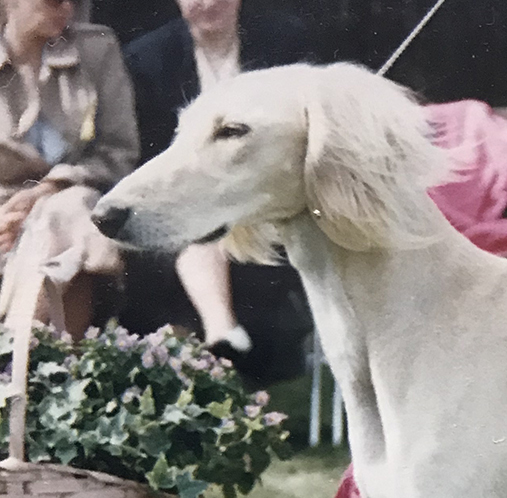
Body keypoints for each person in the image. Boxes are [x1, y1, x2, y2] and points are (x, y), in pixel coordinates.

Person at [124, 0, 310, 361]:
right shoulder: (146, 59)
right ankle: (220, 333)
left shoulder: (284, 40)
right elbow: (147, 156)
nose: (208, 3)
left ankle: (226, 339)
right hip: (181, 204)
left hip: (263, 199)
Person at [0, 0, 137, 336]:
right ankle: (48, 370)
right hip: (6, 216)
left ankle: (22, 354)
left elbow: (119, 152)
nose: (67, 9)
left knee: (70, 213)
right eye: (52, 1)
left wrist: (50, 188)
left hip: (72, 205)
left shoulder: (96, 50)